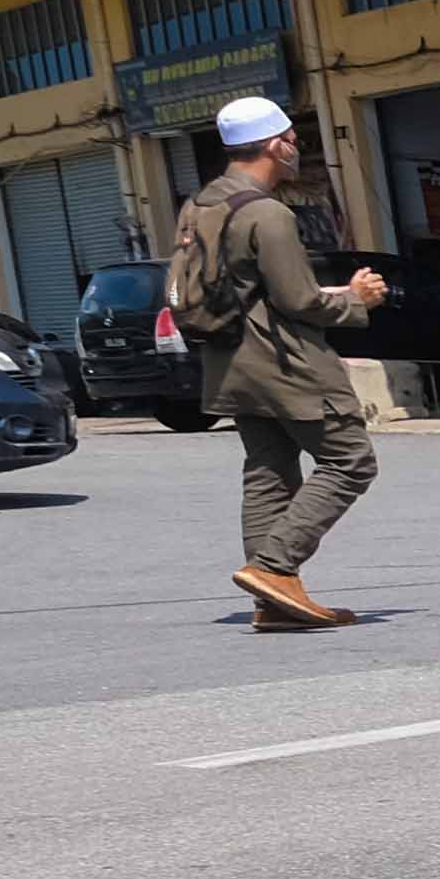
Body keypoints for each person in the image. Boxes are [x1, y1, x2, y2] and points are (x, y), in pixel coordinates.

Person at [169, 97, 385, 628]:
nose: (296, 149)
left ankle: (273, 604)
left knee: (269, 473)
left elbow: (252, 289)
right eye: (292, 140)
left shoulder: (198, 206)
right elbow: (298, 300)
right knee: (351, 461)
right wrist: (356, 300)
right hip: (286, 365)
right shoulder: (268, 214)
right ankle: (274, 568)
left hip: (231, 365)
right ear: (274, 145)